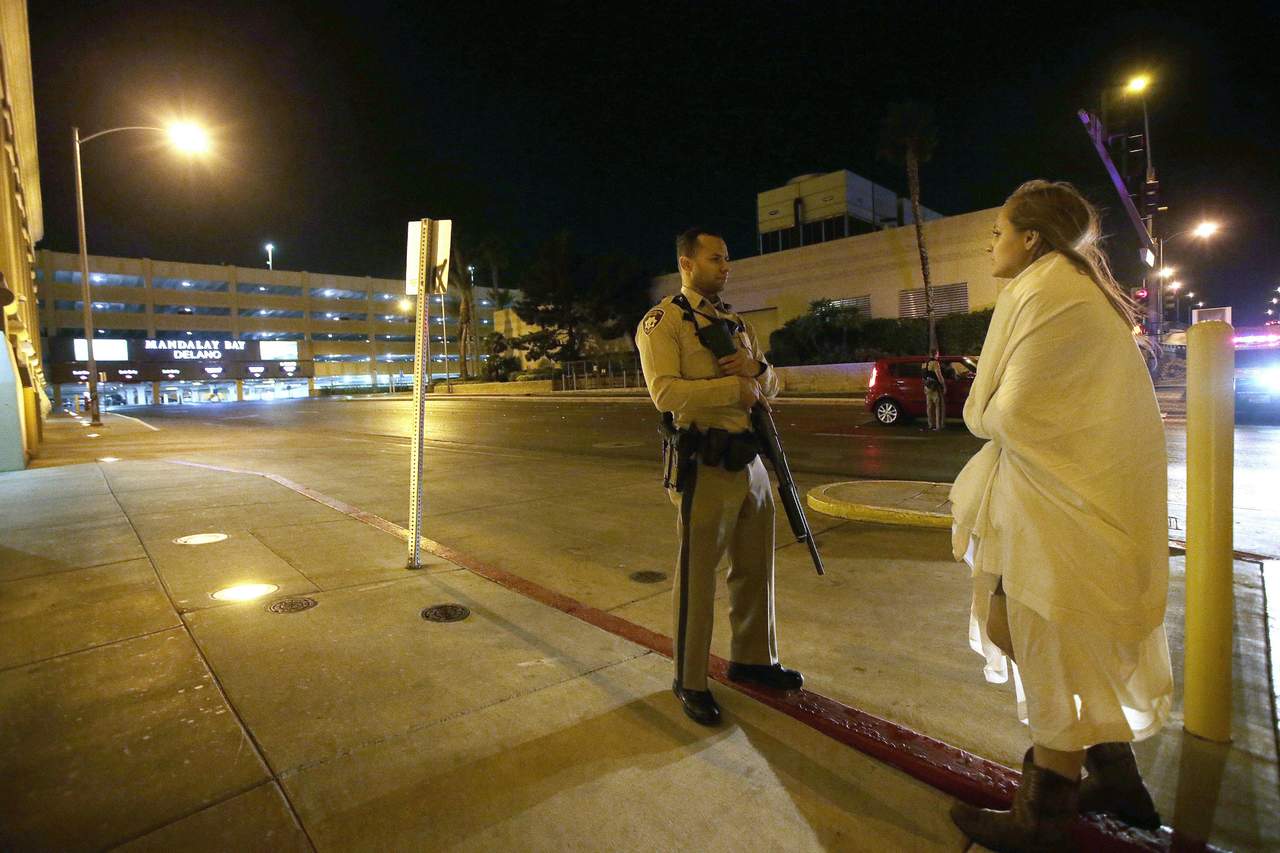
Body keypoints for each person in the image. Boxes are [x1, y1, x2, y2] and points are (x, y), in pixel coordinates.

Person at [949, 181, 1173, 851]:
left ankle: (1042, 818)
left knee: (1047, 645)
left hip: (1056, 510)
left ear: (1031, 239)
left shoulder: (1045, 290)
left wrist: (977, 412)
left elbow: (1017, 411)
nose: (991, 243)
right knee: (1048, 639)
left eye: (998, 230)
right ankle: (1118, 781)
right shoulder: (1072, 288)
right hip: (1067, 499)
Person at [635, 227, 804, 726]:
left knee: (755, 567)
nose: (725, 267)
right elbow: (665, 393)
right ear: (687, 264)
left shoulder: (736, 322)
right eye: (715, 259)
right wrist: (734, 388)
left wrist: (757, 369)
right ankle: (689, 679)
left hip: (751, 460)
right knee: (697, 577)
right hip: (704, 462)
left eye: (727, 258)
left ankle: (753, 660)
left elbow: (771, 384)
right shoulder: (663, 321)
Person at [923, 351, 946, 431]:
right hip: (934, 387)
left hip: (927, 387)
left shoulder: (925, 363)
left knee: (929, 407)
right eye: (937, 354)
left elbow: (923, 376)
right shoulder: (935, 363)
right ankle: (938, 426)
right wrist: (944, 385)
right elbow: (939, 375)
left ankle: (930, 424)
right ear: (936, 354)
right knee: (938, 406)